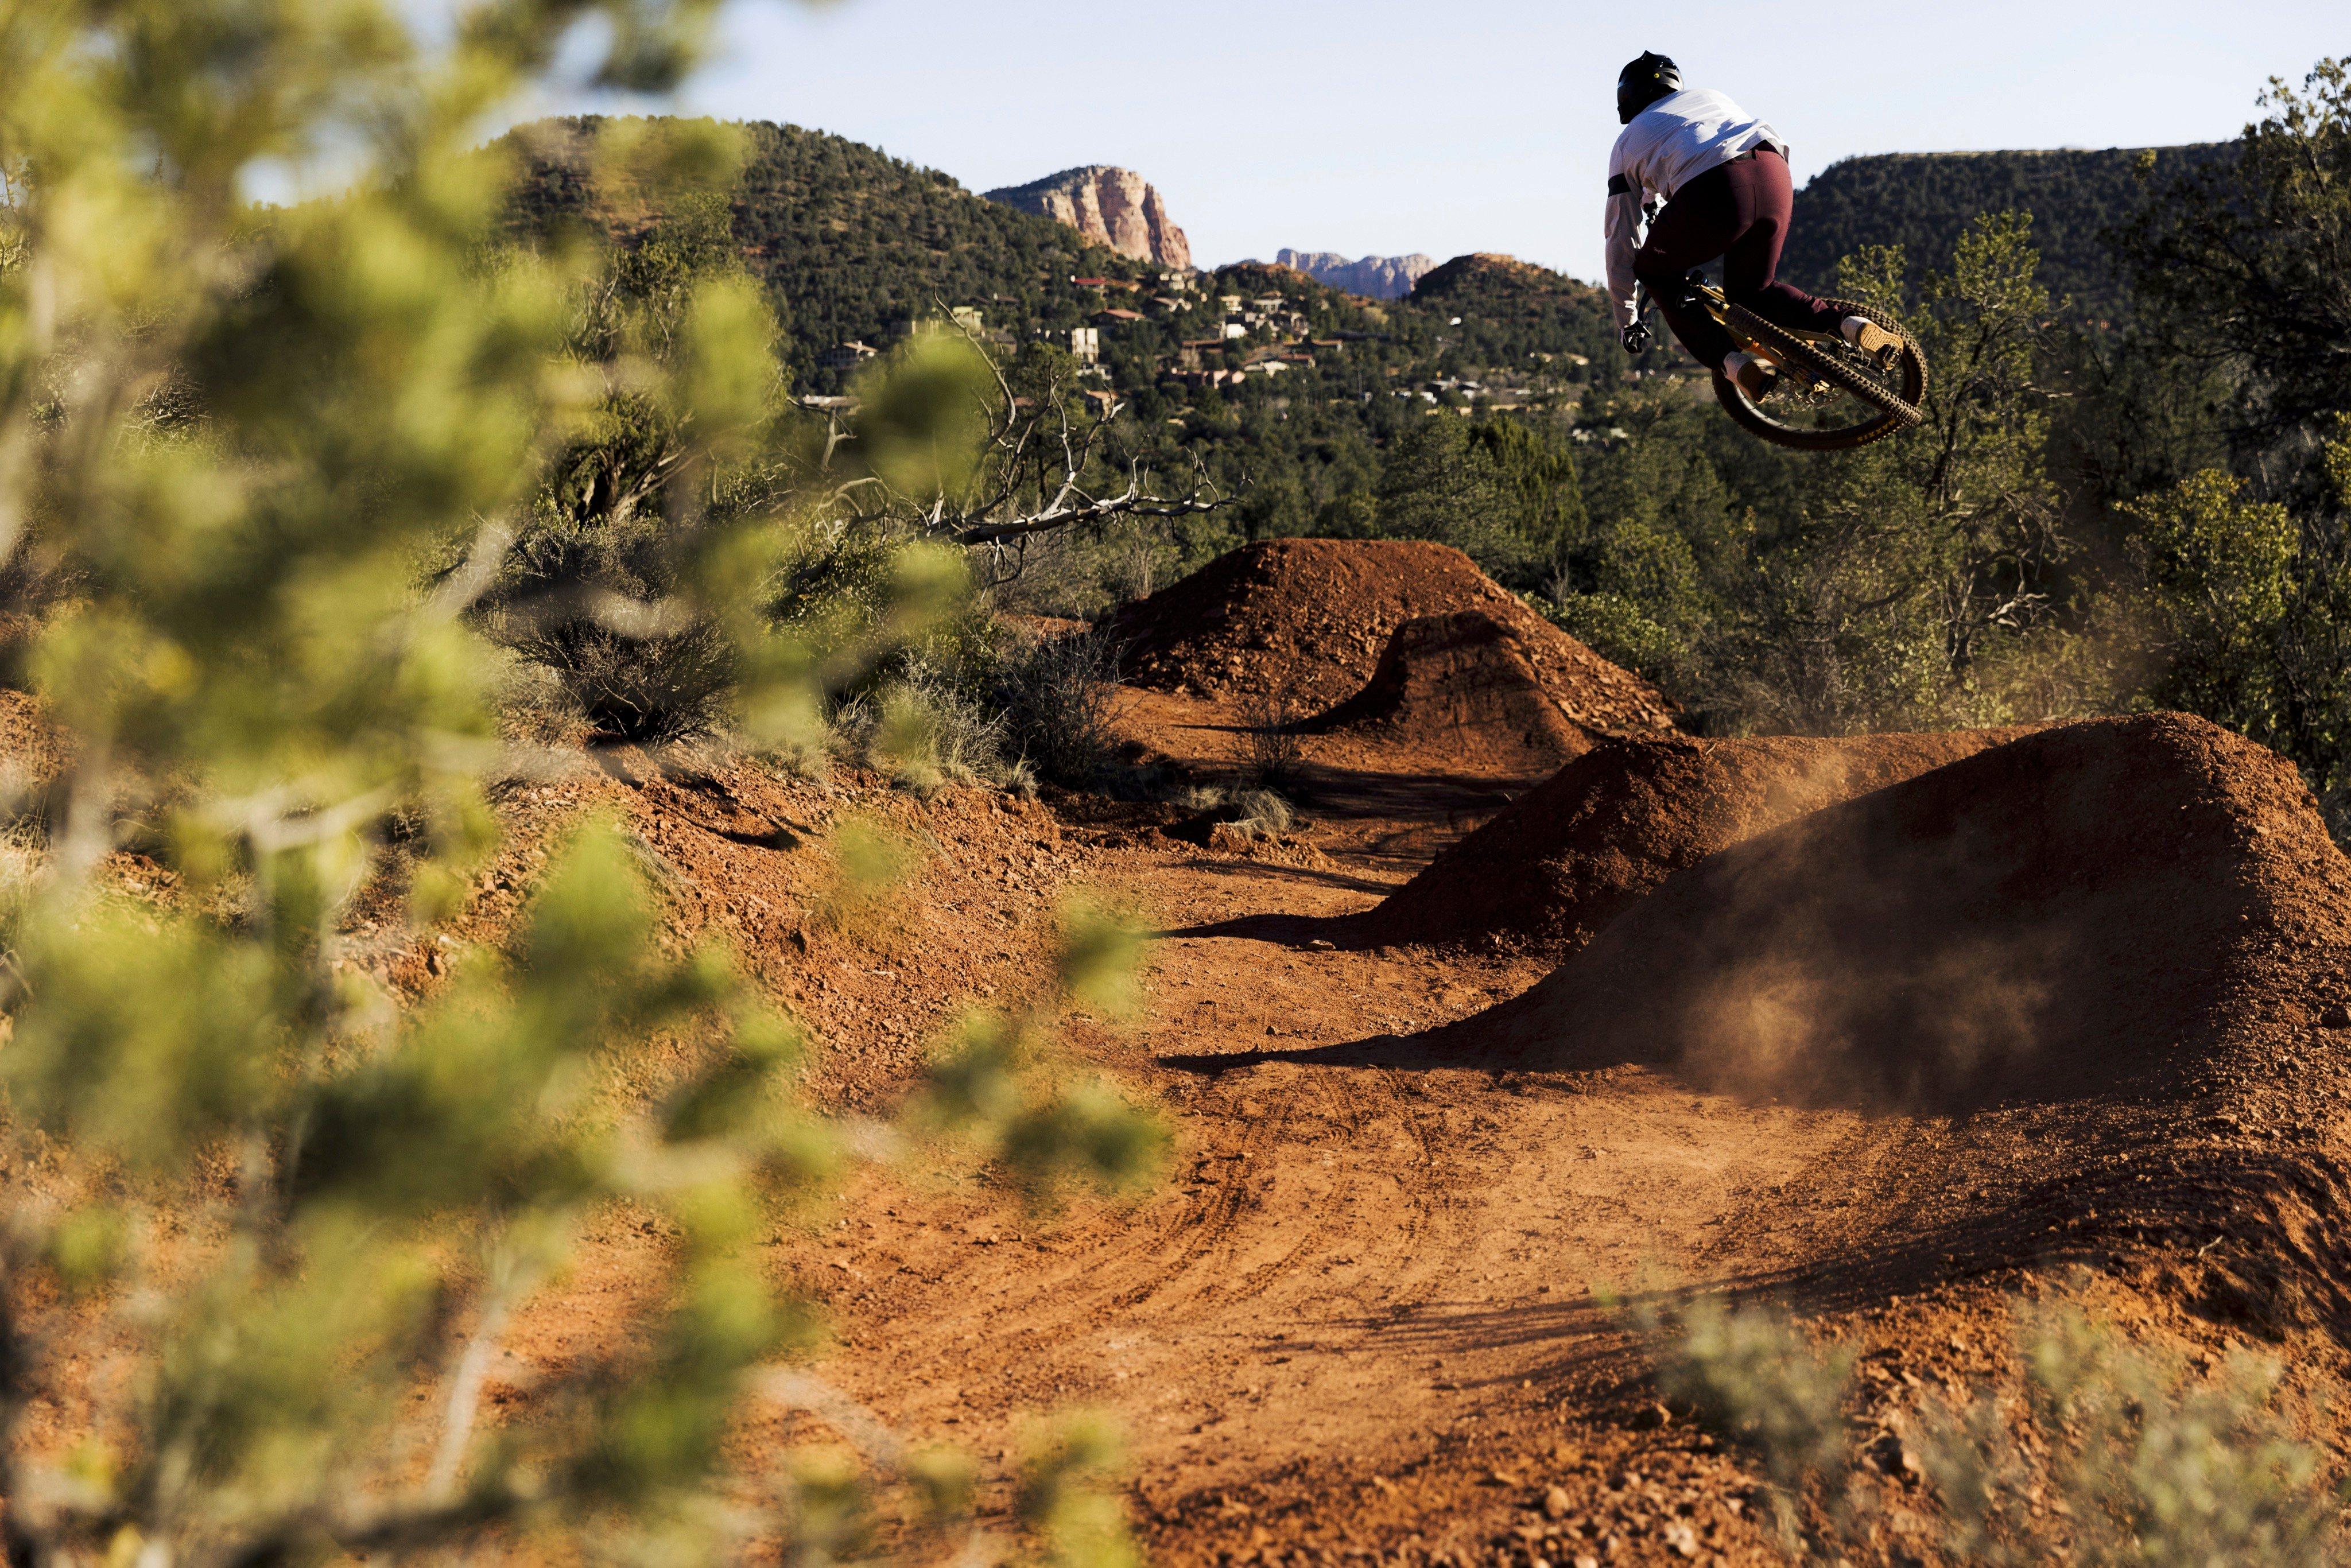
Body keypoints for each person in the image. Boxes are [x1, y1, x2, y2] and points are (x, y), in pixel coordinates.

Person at [1603, 52, 1897, 398]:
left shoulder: (1627, 143)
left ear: (1628, 99)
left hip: (1713, 189)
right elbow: (1686, 153)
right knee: (1756, 292)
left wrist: (1627, 320)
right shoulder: (1710, 97)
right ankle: (1852, 325)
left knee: (1656, 272)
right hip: (1773, 173)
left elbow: (1621, 236)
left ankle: (1735, 364)